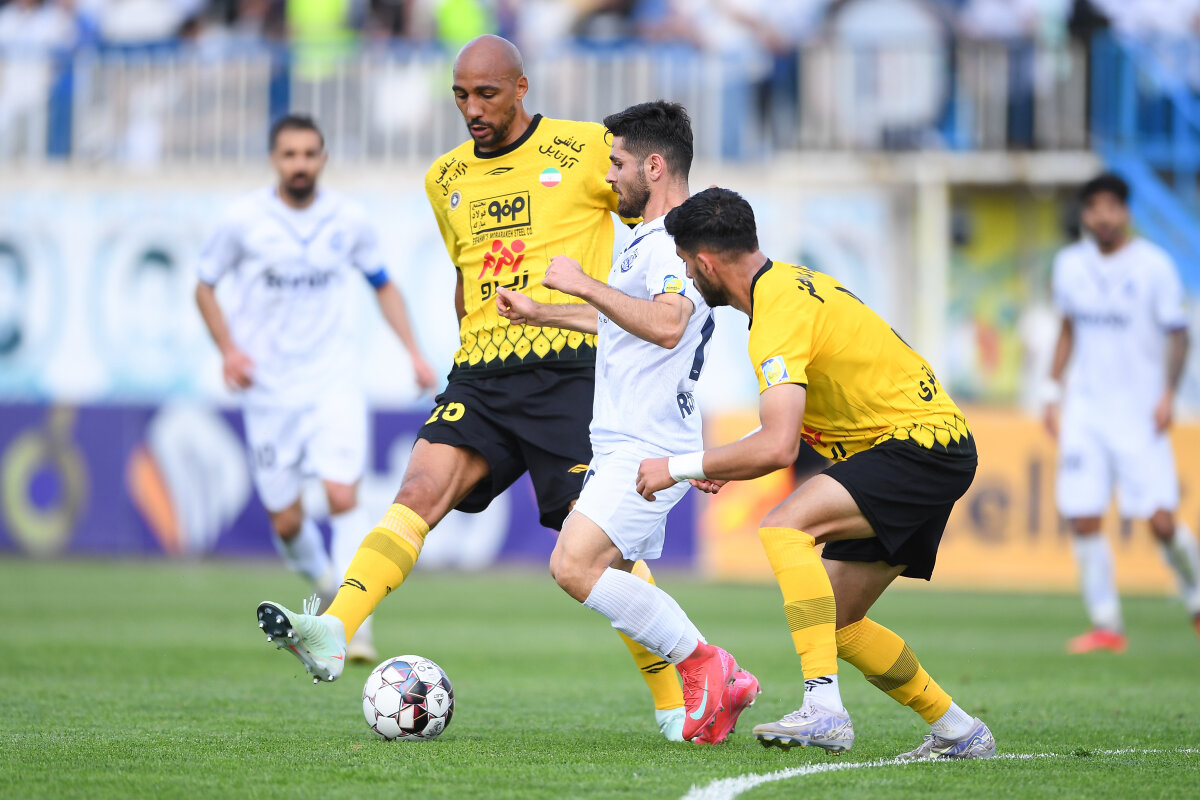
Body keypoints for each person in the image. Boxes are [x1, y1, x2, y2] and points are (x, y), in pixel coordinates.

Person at [254, 36, 691, 741]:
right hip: (482, 373)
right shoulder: (445, 177)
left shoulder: (586, 149)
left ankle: (677, 699)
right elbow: (467, 274)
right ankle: (336, 628)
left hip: (570, 372)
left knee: (599, 550)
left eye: (486, 94)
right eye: (460, 95)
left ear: (521, 88)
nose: (472, 109)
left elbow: (658, 219)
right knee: (417, 492)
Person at [637, 187, 995, 760]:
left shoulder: (775, 315)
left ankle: (824, 708)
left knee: (785, 528)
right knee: (837, 621)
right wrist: (727, 462)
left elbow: (778, 446)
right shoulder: (792, 285)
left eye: (685, 264)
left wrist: (675, 468)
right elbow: (790, 429)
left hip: (915, 446)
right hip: (930, 443)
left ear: (705, 262)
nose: (686, 277)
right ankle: (958, 730)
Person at [493, 100, 760, 744]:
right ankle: (712, 680)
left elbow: (666, 324)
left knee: (572, 565)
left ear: (654, 166)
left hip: (646, 441)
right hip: (631, 436)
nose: (609, 175)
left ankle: (707, 665)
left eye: (617, 163)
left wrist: (582, 283)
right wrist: (544, 313)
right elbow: (628, 321)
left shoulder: (669, 241)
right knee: (607, 572)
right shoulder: (654, 237)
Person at [196, 113, 436, 663]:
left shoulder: (348, 220)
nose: (300, 164)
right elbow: (204, 286)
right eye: (290, 155)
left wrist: (414, 352)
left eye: (309, 154)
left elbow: (382, 284)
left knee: (342, 495)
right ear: (274, 160)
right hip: (268, 390)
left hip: (333, 381)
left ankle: (354, 621)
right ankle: (328, 585)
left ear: (323, 159)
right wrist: (229, 350)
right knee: (286, 521)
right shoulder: (243, 221)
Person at [1043, 172, 1200, 653]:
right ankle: (1107, 624)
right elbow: (1068, 328)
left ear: (1126, 212)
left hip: (1139, 412)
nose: (1103, 216)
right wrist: (1051, 391)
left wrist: (1168, 394)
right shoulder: (1069, 265)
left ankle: (1196, 597)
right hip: (1086, 412)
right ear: (1086, 214)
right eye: (1094, 207)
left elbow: (1179, 334)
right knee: (1083, 517)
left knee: (1160, 522)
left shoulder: (1154, 266)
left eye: (1112, 206)